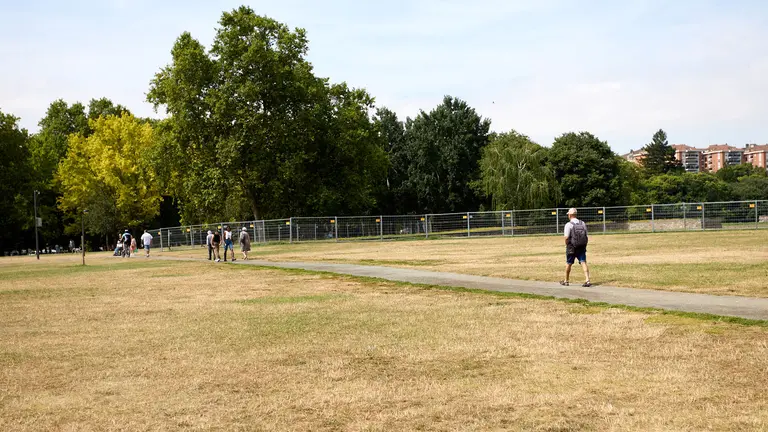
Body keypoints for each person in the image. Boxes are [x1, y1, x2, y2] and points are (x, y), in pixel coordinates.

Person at [560, 208, 591, 287]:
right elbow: (586, 236)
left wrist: (567, 245)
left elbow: (566, 237)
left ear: (570, 215)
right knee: (583, 262)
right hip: (581, 246)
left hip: (572, 247)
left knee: (569, 263)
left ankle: (566, 281)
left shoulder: (568, 224)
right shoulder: (582, 223)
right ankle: (587, 280)